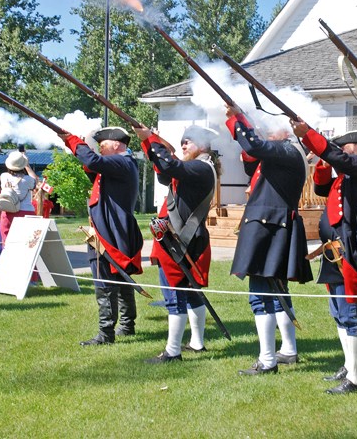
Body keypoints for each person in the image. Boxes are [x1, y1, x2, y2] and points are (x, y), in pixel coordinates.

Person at [293, 123, 357, 394]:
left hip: (353, 248)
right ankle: (349, 366)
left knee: (350, 313)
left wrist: (310, 136)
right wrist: (323, 159)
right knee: (339, 312)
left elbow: (340, 159)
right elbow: (322, 189)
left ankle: (356, 379)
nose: (339, 151)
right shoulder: (345, 177)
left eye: (344, 146)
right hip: (335, 249)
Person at [225, 105, 313, 376]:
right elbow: (253, 158)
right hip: (273, 228)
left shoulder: (285, 150)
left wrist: (236, 118)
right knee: (277, 295)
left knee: (260, 297)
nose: (264, 130)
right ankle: (287, 350)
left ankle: (267, 360)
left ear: (286, 131)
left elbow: (253, 145)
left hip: (269, 230)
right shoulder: (283, 154)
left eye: (270, 127)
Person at [134, 124, 218, 363]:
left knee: (174, 296)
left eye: (188, 141)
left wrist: (151, 139)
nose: (183, 145)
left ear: (202, 146)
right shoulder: (194, 168)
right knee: (190, 295)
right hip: (184, 239)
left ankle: (172, 351)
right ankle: (196, 343)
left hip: (181, 240)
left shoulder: (201, 167)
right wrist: (148, 142)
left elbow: (170, 165)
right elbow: (164, 172)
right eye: (182, 141)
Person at [60, 127, 143, 346]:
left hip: (109, 231)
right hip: (115, 229)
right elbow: (92, 167)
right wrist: (73, 144)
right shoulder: (121, 164)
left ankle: (106, 334)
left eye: (103, 143)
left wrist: (71, 139)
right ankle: (127, 325)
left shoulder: (121, 162)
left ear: (116, 144)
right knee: (120, 279)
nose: (100, 147)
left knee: (104, 280)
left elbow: (94, 161)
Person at [0, 151, 37, 243]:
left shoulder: (4, 176)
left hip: (8, 210)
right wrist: (27, 165)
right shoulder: (28, 180)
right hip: (26, 211)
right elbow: (35, 180)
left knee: (7, 241)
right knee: (27, 242)